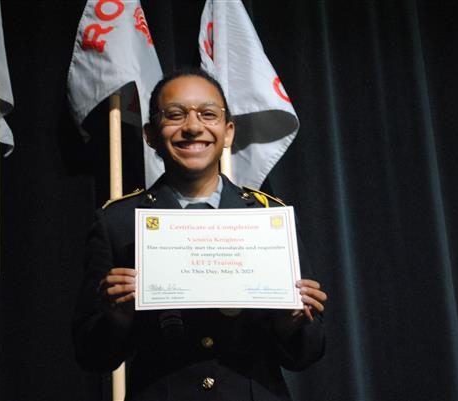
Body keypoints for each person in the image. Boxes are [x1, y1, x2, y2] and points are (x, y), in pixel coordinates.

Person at [72, 69, 327, 401]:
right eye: (175, 115)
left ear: (228, 131)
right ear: (150, 135)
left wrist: (291, 323)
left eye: (208, 114)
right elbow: (90, 355)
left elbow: (306, 354)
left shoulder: (268, 220)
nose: (193, 127)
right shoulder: (117, 223)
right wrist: (116, 319)